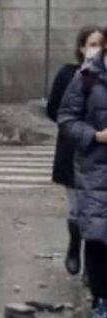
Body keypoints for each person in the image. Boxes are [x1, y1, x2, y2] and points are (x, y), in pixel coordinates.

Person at [48, 25, 103, 276]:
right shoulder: (70, 75)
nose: (97, 50)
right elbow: (56, 111)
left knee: (96, 213)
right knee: (76, 209)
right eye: (92, 44)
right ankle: (74, 246)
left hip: (98, 159)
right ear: (81, 48)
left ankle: (94, 272)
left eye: (101, 45)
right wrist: (84, 131)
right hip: (72, 151)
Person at [59, 36, 107, 316]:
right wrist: (95, 136)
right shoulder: (86, 78)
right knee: (99, 237)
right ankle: (101, 298)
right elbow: (66, 117)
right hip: (96, 171)